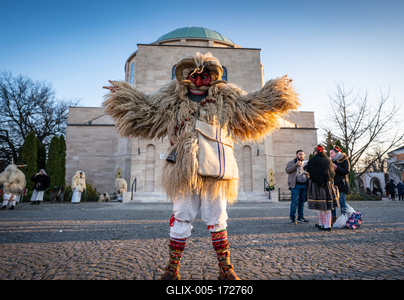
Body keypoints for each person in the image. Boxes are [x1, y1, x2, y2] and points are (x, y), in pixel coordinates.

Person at [103, 52, 300, 280]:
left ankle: (225, 270)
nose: (198, 83)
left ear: (212, 78)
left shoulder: (227, 97)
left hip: (215, 167)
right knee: (182, 214)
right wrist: (123, 95)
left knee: (217, 216)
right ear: (185, 77)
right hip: (182, 169)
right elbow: (146, 107)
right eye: (193, 77)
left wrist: (276, 91)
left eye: (204, 77)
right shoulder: (171, 97)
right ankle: (172, 269)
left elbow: (252, 104)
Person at [304, 144, 338, 231]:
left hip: (316, 185)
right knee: (327, 206)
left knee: (319, 206)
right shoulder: (328, 161)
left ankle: (322, 223)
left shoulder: (313, 160)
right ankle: (327, 224)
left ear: (316, 152)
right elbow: (332, 173)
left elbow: (307, 168)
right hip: (327, 185)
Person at [286, 150, 309, 224]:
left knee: (302, 202)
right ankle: (292, 217)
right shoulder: (291, 162)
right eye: (299, 154)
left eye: (302, 154)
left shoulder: (306, 163)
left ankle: (300, 217)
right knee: (294, 201)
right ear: (296, 155)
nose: (301, 156)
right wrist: (296, 165)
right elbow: (287, 170)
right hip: (295, 185)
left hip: (304, 184)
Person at [329, 145, 350, 224]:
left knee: (342, 202)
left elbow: (346, 171)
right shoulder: (331, 161)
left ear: (336, 153)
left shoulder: (344, 159)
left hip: (342, 183)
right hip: (332, 184)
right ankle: (333, 218)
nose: (330, 155)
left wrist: (336, 168)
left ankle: (343, 218)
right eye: (330, 153)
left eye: (332, 153)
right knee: (332, 202)